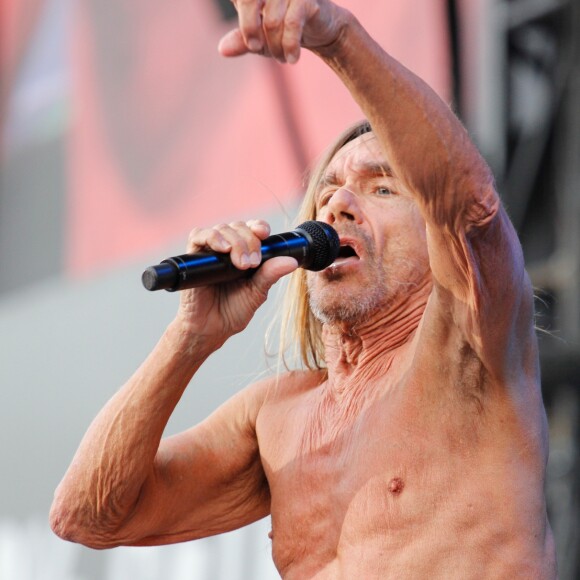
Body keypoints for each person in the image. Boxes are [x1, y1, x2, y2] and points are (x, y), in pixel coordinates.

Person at [50, 1, 558, 577]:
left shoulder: (471, 348)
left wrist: (336, 35)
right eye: (330, 189)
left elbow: (469, 204)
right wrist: (191, 335)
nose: (338, 202)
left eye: (383, 189)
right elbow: (86, 516)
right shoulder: (277, 415)